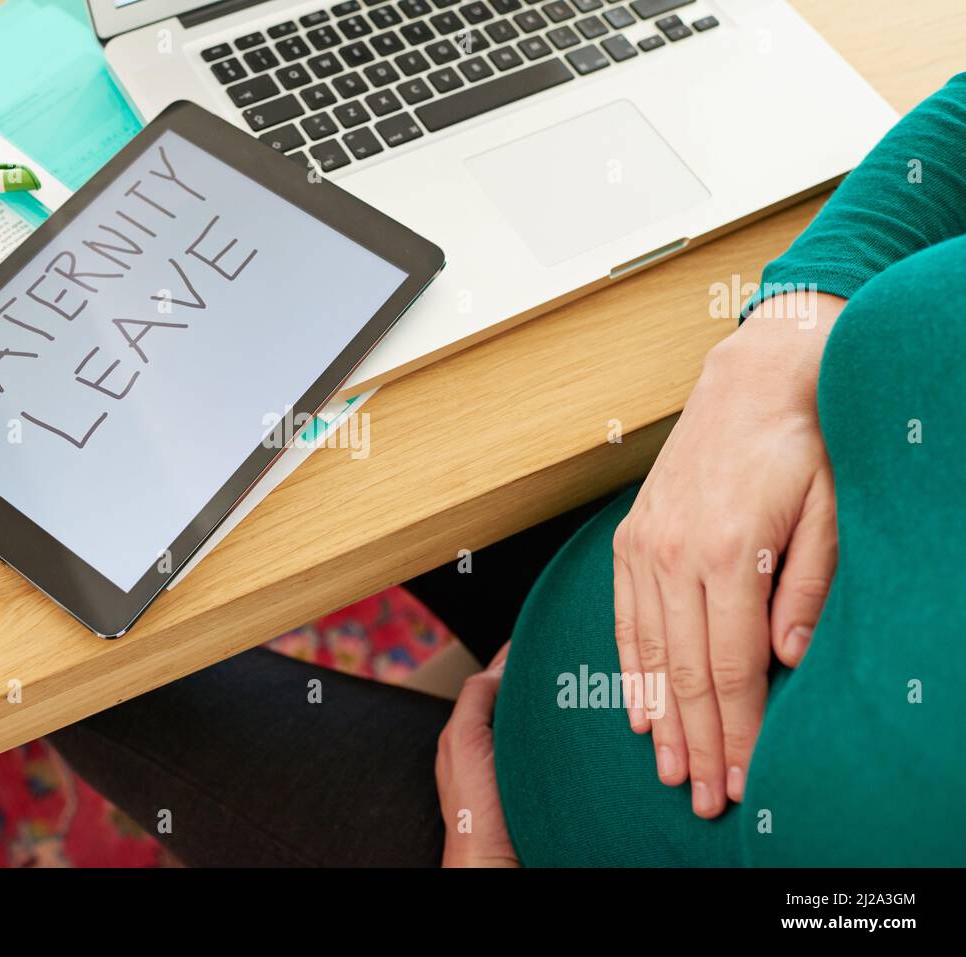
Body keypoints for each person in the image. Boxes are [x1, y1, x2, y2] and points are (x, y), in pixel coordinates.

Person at [50, 71, 966, 867]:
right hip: (639, 529)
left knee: (76, 666)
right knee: (371, 355)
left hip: (511, 825)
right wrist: (786, 330)